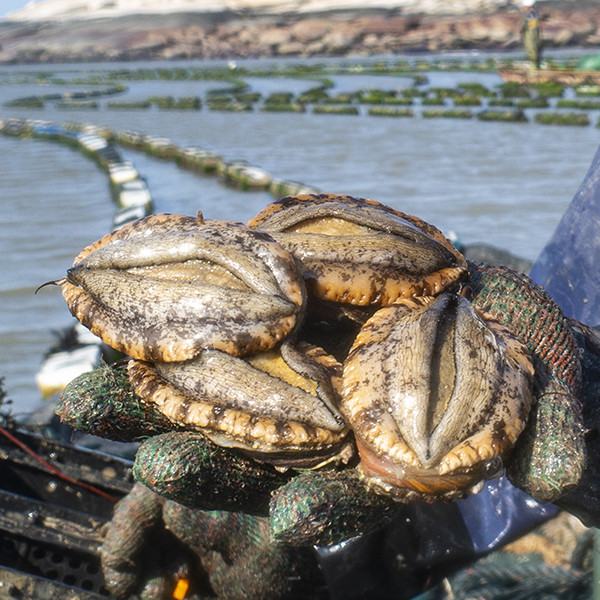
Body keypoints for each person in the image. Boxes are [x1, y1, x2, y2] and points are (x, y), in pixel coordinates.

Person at [521, 0, 542, 69]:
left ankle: (534, 66)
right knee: (533, 48)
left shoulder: (532, 14)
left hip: (531, 35)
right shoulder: (532, 13)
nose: (523, 8)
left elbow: (532, 27)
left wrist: (524, 29)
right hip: (531, 35)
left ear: (527, 6)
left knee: (532, 48)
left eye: (524, 7)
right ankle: (535, 65)